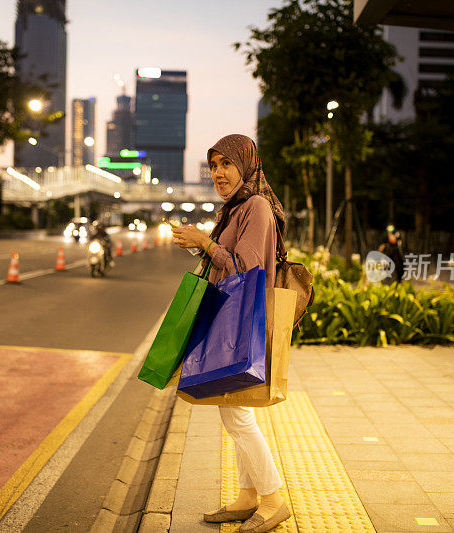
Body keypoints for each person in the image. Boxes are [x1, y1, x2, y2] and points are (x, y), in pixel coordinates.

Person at [170, 134, 291, 532]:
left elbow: (247, 269)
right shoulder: (236, 208)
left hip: (242, 324)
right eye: (214, 165)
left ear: (246, 164)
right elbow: (228, 260)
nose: (218, 173)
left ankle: (273, 499)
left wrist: (205, 242)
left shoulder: (254, 206)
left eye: (227, 164)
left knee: (236, 415)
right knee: (237, 410)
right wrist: (200, 243)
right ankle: (248, 497)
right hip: (234, 322)